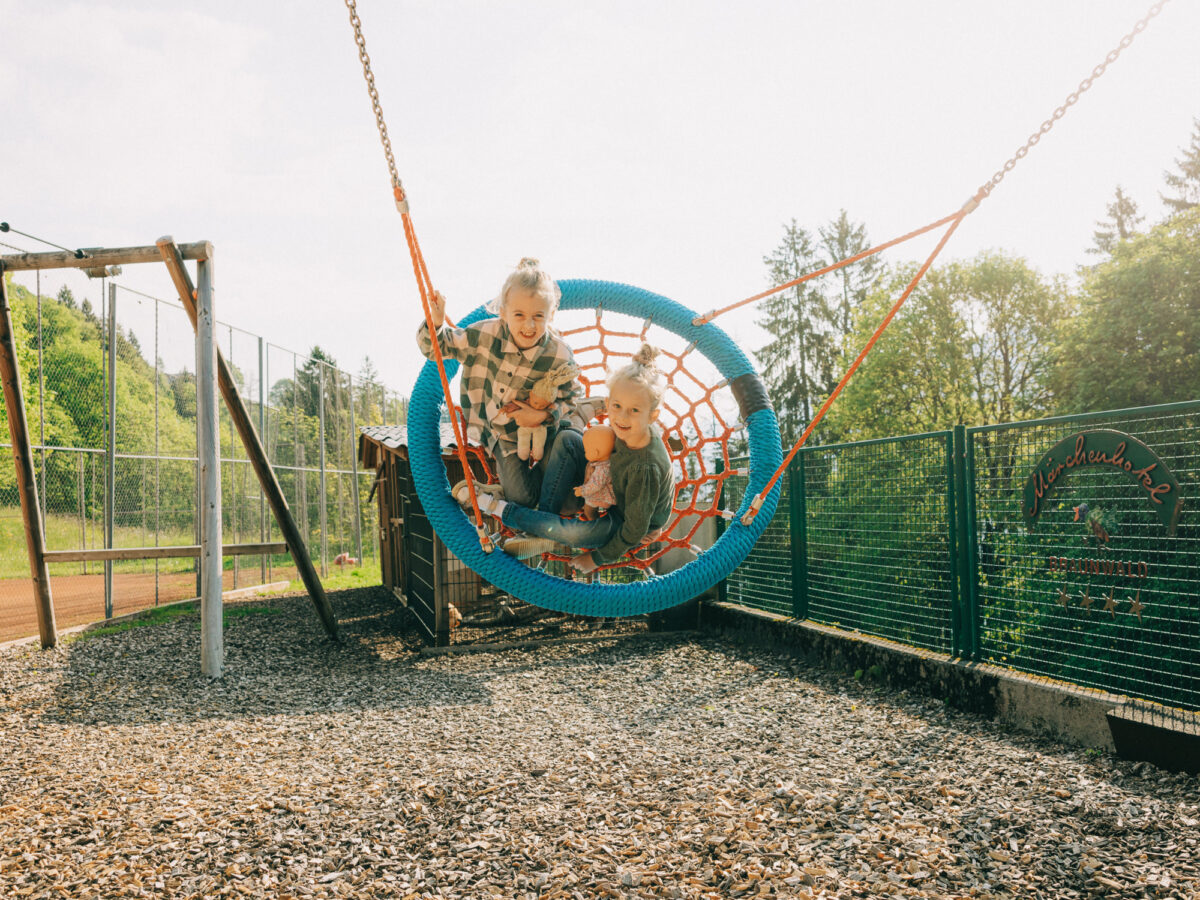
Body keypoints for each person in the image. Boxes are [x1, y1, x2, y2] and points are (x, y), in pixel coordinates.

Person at [455, 344, 675, 573]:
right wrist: (593, 471)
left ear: (652, 416)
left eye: (634, 410)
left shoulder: (644, 467)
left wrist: (596, 559)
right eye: (617, 406)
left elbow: (634, 530)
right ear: (608, 403)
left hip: (626, 520)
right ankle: (541, 521)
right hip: (608, 483)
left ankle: (497, 507)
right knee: (568, 439)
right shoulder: (628, 429)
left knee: (574, 533)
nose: (621, 417)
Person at [417, 258, 585, 513]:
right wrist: (436, 323)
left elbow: (571, 396)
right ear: (504, 312)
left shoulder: (558, 353)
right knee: (523, 499)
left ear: (550, 316)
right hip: (501, 433)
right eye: (519, 315)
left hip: (545, 432)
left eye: (538, 316)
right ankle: (511, 493)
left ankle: (541, 498)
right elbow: (437, 349)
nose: (529, 325)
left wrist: (542, 414)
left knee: (571, 502)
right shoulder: (485, 335)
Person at [574, 424, 616, 520]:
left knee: (589, 508)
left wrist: (582, 490)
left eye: (586, 451)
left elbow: (596, 485)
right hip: (599, 493)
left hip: (599, 496)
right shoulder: (603, 462)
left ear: (596, 453)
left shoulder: (603, 469)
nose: (585, 453)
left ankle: (592, 520)